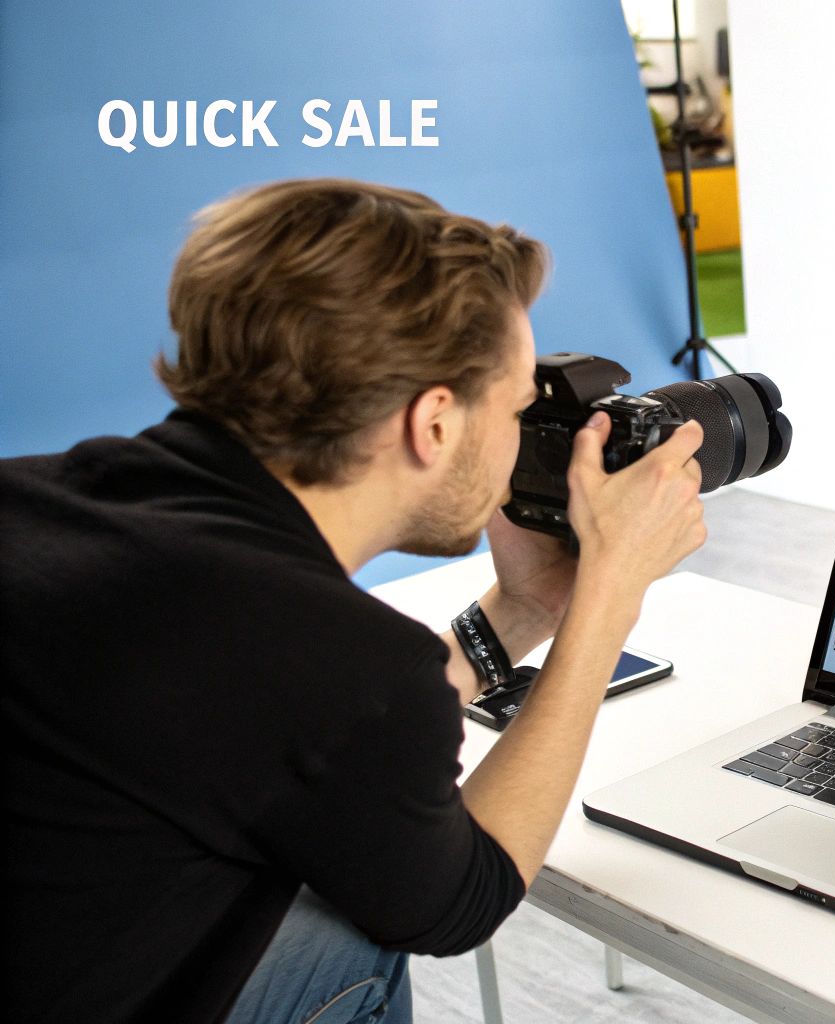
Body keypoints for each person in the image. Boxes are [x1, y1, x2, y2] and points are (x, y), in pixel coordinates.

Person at [0, 179, 707, 1023]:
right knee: (357, 935)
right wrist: (607, 602)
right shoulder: (329, 655)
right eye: (520, 406)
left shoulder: (39, 502)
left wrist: (524, 610)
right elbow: (461, 902)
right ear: (434, 423)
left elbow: (312, 736)